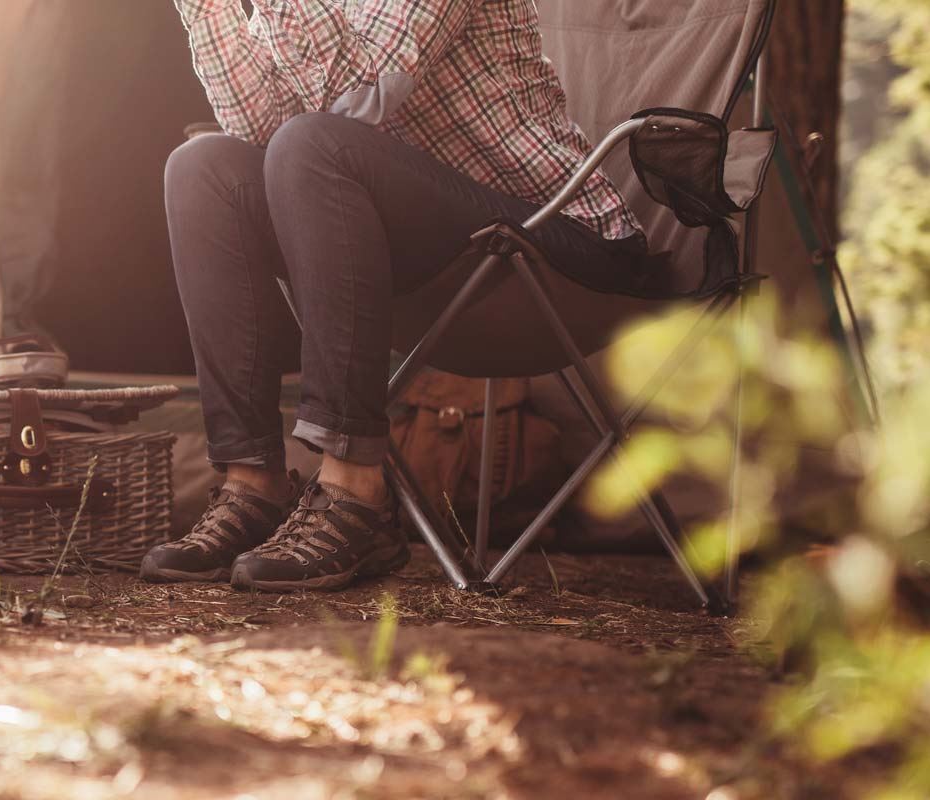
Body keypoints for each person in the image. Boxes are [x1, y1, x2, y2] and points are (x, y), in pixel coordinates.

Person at [141, 0, 647, 592]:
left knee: (313, 145)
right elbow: (260, 127)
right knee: (203, 168)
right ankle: (252, 486)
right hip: (436, 252)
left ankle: (357, 491)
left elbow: (356, 98)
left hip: (551, 239)